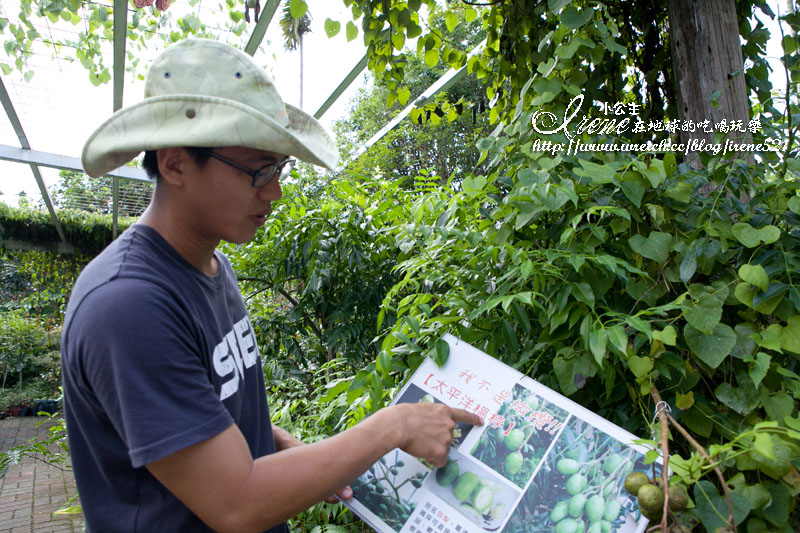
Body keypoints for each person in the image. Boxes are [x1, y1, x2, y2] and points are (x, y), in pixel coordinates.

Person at [62, 38, 482, 532]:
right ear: (175, 164)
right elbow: (235, 504)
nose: (275, 191)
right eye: (258, 170)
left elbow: (203, 415)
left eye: (278, 168)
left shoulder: (210, 265)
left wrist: (282, 449)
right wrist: (395, 425)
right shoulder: (128, 305)